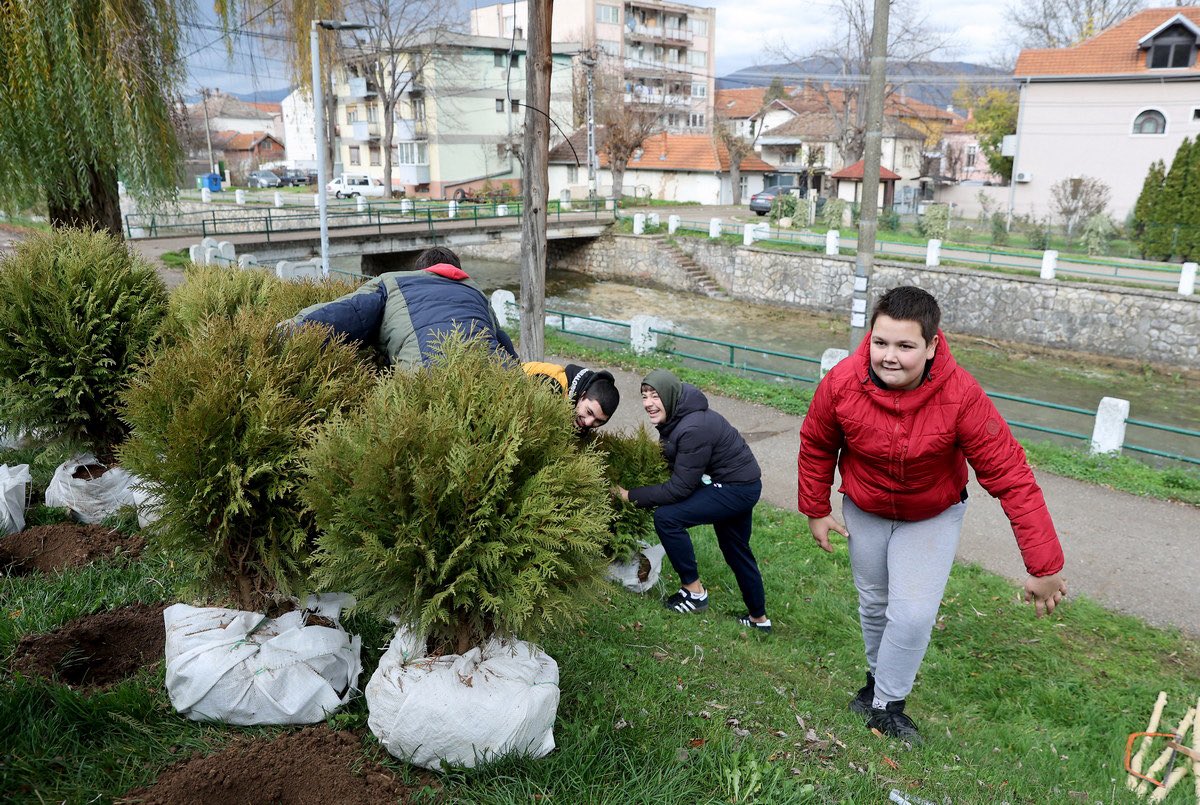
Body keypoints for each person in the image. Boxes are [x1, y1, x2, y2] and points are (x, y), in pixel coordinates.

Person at [797, 285, 1067, 744]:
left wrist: (1044, 567)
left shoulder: (961, 395)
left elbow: (1011, 475)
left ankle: (887, 707)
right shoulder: (842, 382)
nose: (889, 357)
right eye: (881, 343)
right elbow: (818, 443)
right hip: (866, 508)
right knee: (876, 604)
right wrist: (816, 508)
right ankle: (875, 685)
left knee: (914, 613)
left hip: (932, 514)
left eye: (905, 346)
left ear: (931, 345)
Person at [615, 369, 769, 633]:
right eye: (644, 396)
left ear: (671, 396)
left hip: (735, 489)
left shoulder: (692, 427)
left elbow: (679, 489)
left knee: (667, 517)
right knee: (736, 549)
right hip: (743, 485)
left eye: (655, 395)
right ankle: (760, 619)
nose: (648, 403)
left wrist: (631, 496)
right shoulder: (679, 416)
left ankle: (694, 592)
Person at [287, 246, 518, 368]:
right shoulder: (476, 292)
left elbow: (349, 313)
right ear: (458, 271)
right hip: (498, 384)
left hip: (426, 389)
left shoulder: (392, 283)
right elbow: (502, 341)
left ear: (420, 270)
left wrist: (288, 331)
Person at [522, 361, 620, 434]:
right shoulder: (551, 387)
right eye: (589, 412)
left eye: (599, 421)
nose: (588, 422)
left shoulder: (576, 386)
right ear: (582, 395)